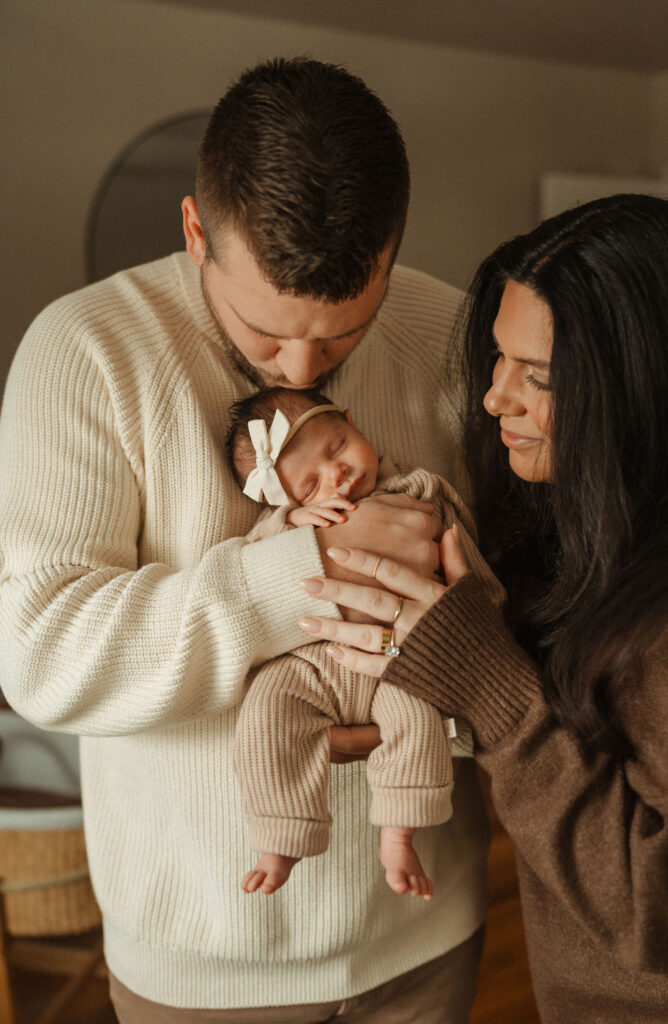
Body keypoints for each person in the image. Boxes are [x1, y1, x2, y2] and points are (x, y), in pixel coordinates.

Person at [0, 58, 490, 1022]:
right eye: (265, 335)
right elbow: (40, 651)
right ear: (195, 231)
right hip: (203, 956)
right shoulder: (84, 349)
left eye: (345, 334)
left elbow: (524, 606)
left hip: (429, 928)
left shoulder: (453, 334)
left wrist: (444, 706)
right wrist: (306, 572)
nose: (303, 369)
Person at [295, 193, 668, 1024]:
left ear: (642, 386)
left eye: (540, 376)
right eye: (498, 359)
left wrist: (492, 690)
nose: (495, 398)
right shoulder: (580, 537)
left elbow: (653, 911)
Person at [226, 386, 500, 901]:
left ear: (351, 421)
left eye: (337, 447)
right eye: (310, 485)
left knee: (417, 719)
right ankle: (282, 833)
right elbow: (254, 563)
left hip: (403, 659)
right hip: (315, 662)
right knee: (266, 712)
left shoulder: (420, 491)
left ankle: (399, 835)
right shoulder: (286, 525)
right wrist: (290, 523)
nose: (337, 475)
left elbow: (462, 556)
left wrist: (484, 605)